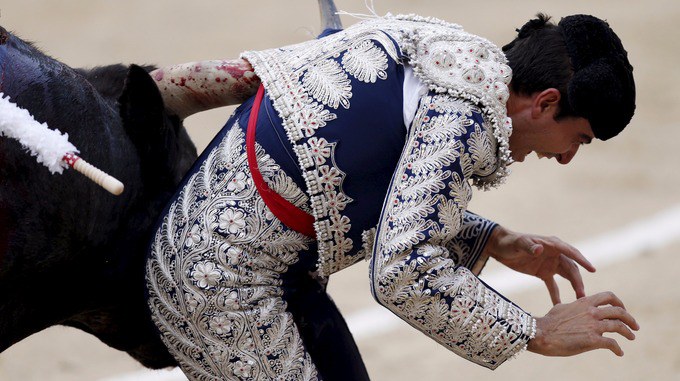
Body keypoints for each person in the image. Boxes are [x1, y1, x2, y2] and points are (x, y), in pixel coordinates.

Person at [145, 7, 638, 381]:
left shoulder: (441, 50)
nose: (569, 156)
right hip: (219, 283)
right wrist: (535, 332)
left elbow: (361, 184)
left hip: (260, 263)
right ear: (547, 103)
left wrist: (491, 240)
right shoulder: (463, 118)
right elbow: (403, 270)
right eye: (579, 138)